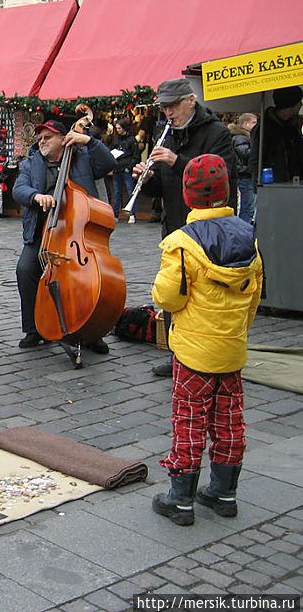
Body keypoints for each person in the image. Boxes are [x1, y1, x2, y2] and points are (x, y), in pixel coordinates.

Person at [150, 154, 262, 526]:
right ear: (227, 191)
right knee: (230, 419)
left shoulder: (181, 243)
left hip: (194, 354)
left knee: (189, 419)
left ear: (188, 195)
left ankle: (180, 498)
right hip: (232, 349)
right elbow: (254, 297)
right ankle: (224, 493)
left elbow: (167, 298)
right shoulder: (249, 237)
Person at [132, 78, 239, 377]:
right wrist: (148, 180)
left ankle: (208, 353)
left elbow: (219, 176)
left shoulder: (216, 132)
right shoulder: (164, 133)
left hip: (208, 228)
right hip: (175, 225)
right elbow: (164, 188)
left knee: (207, 294)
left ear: (191, 100)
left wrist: (176, 161)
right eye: (164, 107)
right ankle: (177, 354)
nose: (168, 112)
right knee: (175, 291)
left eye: (173, 105)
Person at [12, 120, 117, 352]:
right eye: (40, 138)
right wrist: (36, 196)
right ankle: (34, 329)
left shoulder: (82, 157)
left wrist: (89, 141)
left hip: (78, 232)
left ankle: (91, 331)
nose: (42, 141)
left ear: (64, 139)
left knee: (86, 279)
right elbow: (19, 189)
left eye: (48, 137)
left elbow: (110, 163)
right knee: (25, 269)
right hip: (45, 231)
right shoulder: (31, 163)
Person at [250, 85, 303, 185]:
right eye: (298, 101)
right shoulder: (265, 128)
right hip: (273, 184)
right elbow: (255, 159)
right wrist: (257, 184)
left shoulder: (292, 127)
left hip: (294, 183)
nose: (301, 105)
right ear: (290, 105)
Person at [109, 118, 141, 223]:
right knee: (118, 192)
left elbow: (136, 156)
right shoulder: (117, 140)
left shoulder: (131, 140)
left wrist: (129, 167)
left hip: (126, 168)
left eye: (119, 128)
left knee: (130, 191)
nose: (117, 130)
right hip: (118, 168)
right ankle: (116, 215)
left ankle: (132, 214)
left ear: (123, 128)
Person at [229, 113, 257, 224]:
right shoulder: (240, 137)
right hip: (244, 174)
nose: (256, 125)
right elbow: (245, 153)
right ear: (245, 123)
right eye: (253, 122)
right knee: (248, 205)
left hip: (245, 173)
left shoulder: (244, 136)